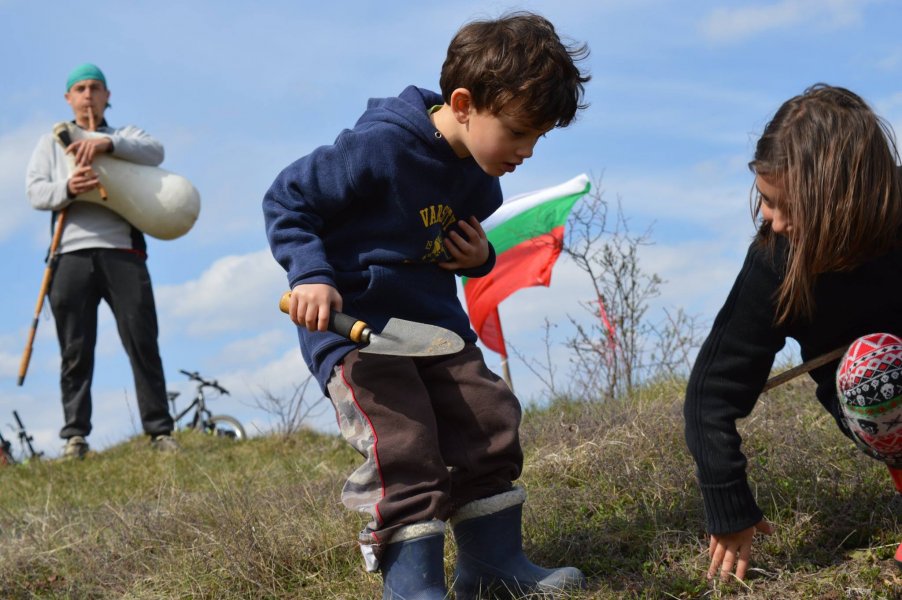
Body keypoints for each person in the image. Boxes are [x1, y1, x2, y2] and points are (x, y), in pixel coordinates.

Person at [264, 11, 589, 599]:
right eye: (518, 132)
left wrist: (480, 258)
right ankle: (413, 589)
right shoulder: (381, 146)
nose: (528, 151)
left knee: (488, 420)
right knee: (404, 443)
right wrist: (310, 273)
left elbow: (454, 243)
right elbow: (289, 198)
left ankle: (492, 570)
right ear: (463, 103)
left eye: (539, 137)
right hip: (359, 329)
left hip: (436, 329)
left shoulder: (480, 177)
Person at [684, 84, 902, 583]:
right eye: (765, 200)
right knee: (878, 366)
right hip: (881, 388)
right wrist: (730, 507)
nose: (772, 221)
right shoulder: (775, 263)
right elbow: (710, 395)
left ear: (843, 201)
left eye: (787, 205)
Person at [25, 63, 177, 458]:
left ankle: (160, 431)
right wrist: (68, 187)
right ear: (68, 98)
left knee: (141, 340)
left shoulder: (126, 137)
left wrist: (106, 145)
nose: (88, 95)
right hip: (70, 254)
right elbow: (36, 192)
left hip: (123, 252)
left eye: (95, 88)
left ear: (108, 96)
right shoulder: (52, 143)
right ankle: (76, 436)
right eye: (80, 88)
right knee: (75, 349)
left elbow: (156, 152)